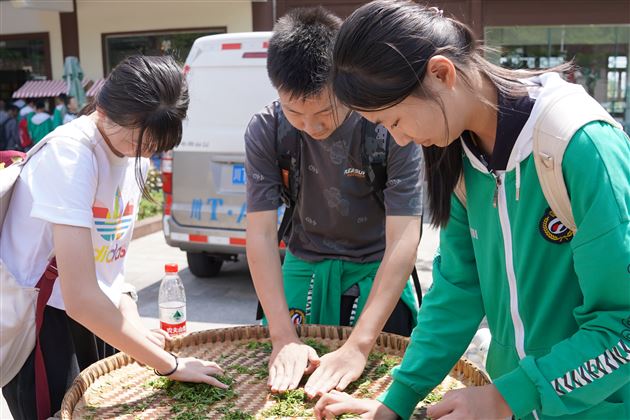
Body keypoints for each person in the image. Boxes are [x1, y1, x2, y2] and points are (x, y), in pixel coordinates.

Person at [314, 1, 630, 419]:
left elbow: (622, 328)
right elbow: (460, 287)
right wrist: (397, 401)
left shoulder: (579, 145)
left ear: (442, 74)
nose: (401, 139)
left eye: (394, 120)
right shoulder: (462, 155)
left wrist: (507, 397)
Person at [1, 55, 227, 420]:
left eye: (157, 143)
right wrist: (169, 364)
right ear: (104, 109)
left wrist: (135, 327)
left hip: (95, 313)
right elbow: (80, 299)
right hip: (44, 326)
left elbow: (111, 264)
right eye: (140, 139)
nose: (147, 150)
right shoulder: (71, 155)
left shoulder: (133, 152)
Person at [245, 7, 424, 399]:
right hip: (302, 264)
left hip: (375, 270)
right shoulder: (266, 129)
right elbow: (259, 234)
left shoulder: (388, 124)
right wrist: (281, 336)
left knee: (377, 385)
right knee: (278, 387)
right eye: (295, 112)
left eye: (324, 112)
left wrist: (359, 347)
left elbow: (404, 239)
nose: (312, 127)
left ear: (344, 80)